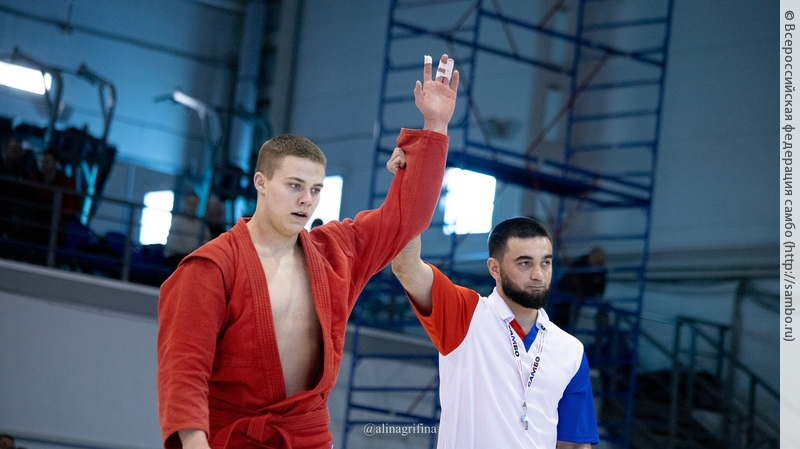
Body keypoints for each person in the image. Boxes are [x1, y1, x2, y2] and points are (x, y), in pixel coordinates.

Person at [157, 54, 459, 449]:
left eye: (316, 189)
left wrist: (435, 126)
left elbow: (405, 218)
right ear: (261, 182)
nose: (307, 200)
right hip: (233, 439)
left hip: (307, 437)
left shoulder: (336, 253)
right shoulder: (211, 268)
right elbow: (184, 371)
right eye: (294, 186)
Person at [390, 216, 599, 449]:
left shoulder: (571, 350)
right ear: (494, 268)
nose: (538, 275)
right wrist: (412, 194)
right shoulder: (466, 314)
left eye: (546, 263)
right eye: (525, 263)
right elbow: (406, 267)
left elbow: (574, 445)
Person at [552, 247, 607, 329]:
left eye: (599, 263)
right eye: (596, 261)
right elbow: (569, 284)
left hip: (583, 301)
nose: (596, 265)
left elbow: (600, 289)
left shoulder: (600, 271)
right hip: (567, 298)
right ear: (591, 257)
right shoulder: (579, 266)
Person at [163, 191, 212, 268]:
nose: (192, 207)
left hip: (195, 259)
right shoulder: (177, 221)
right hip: (177, 259)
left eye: (195, 204)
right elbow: (173, 248)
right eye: (190, 203)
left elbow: (207, 244)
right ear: (185, 203)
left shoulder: (202, 225)